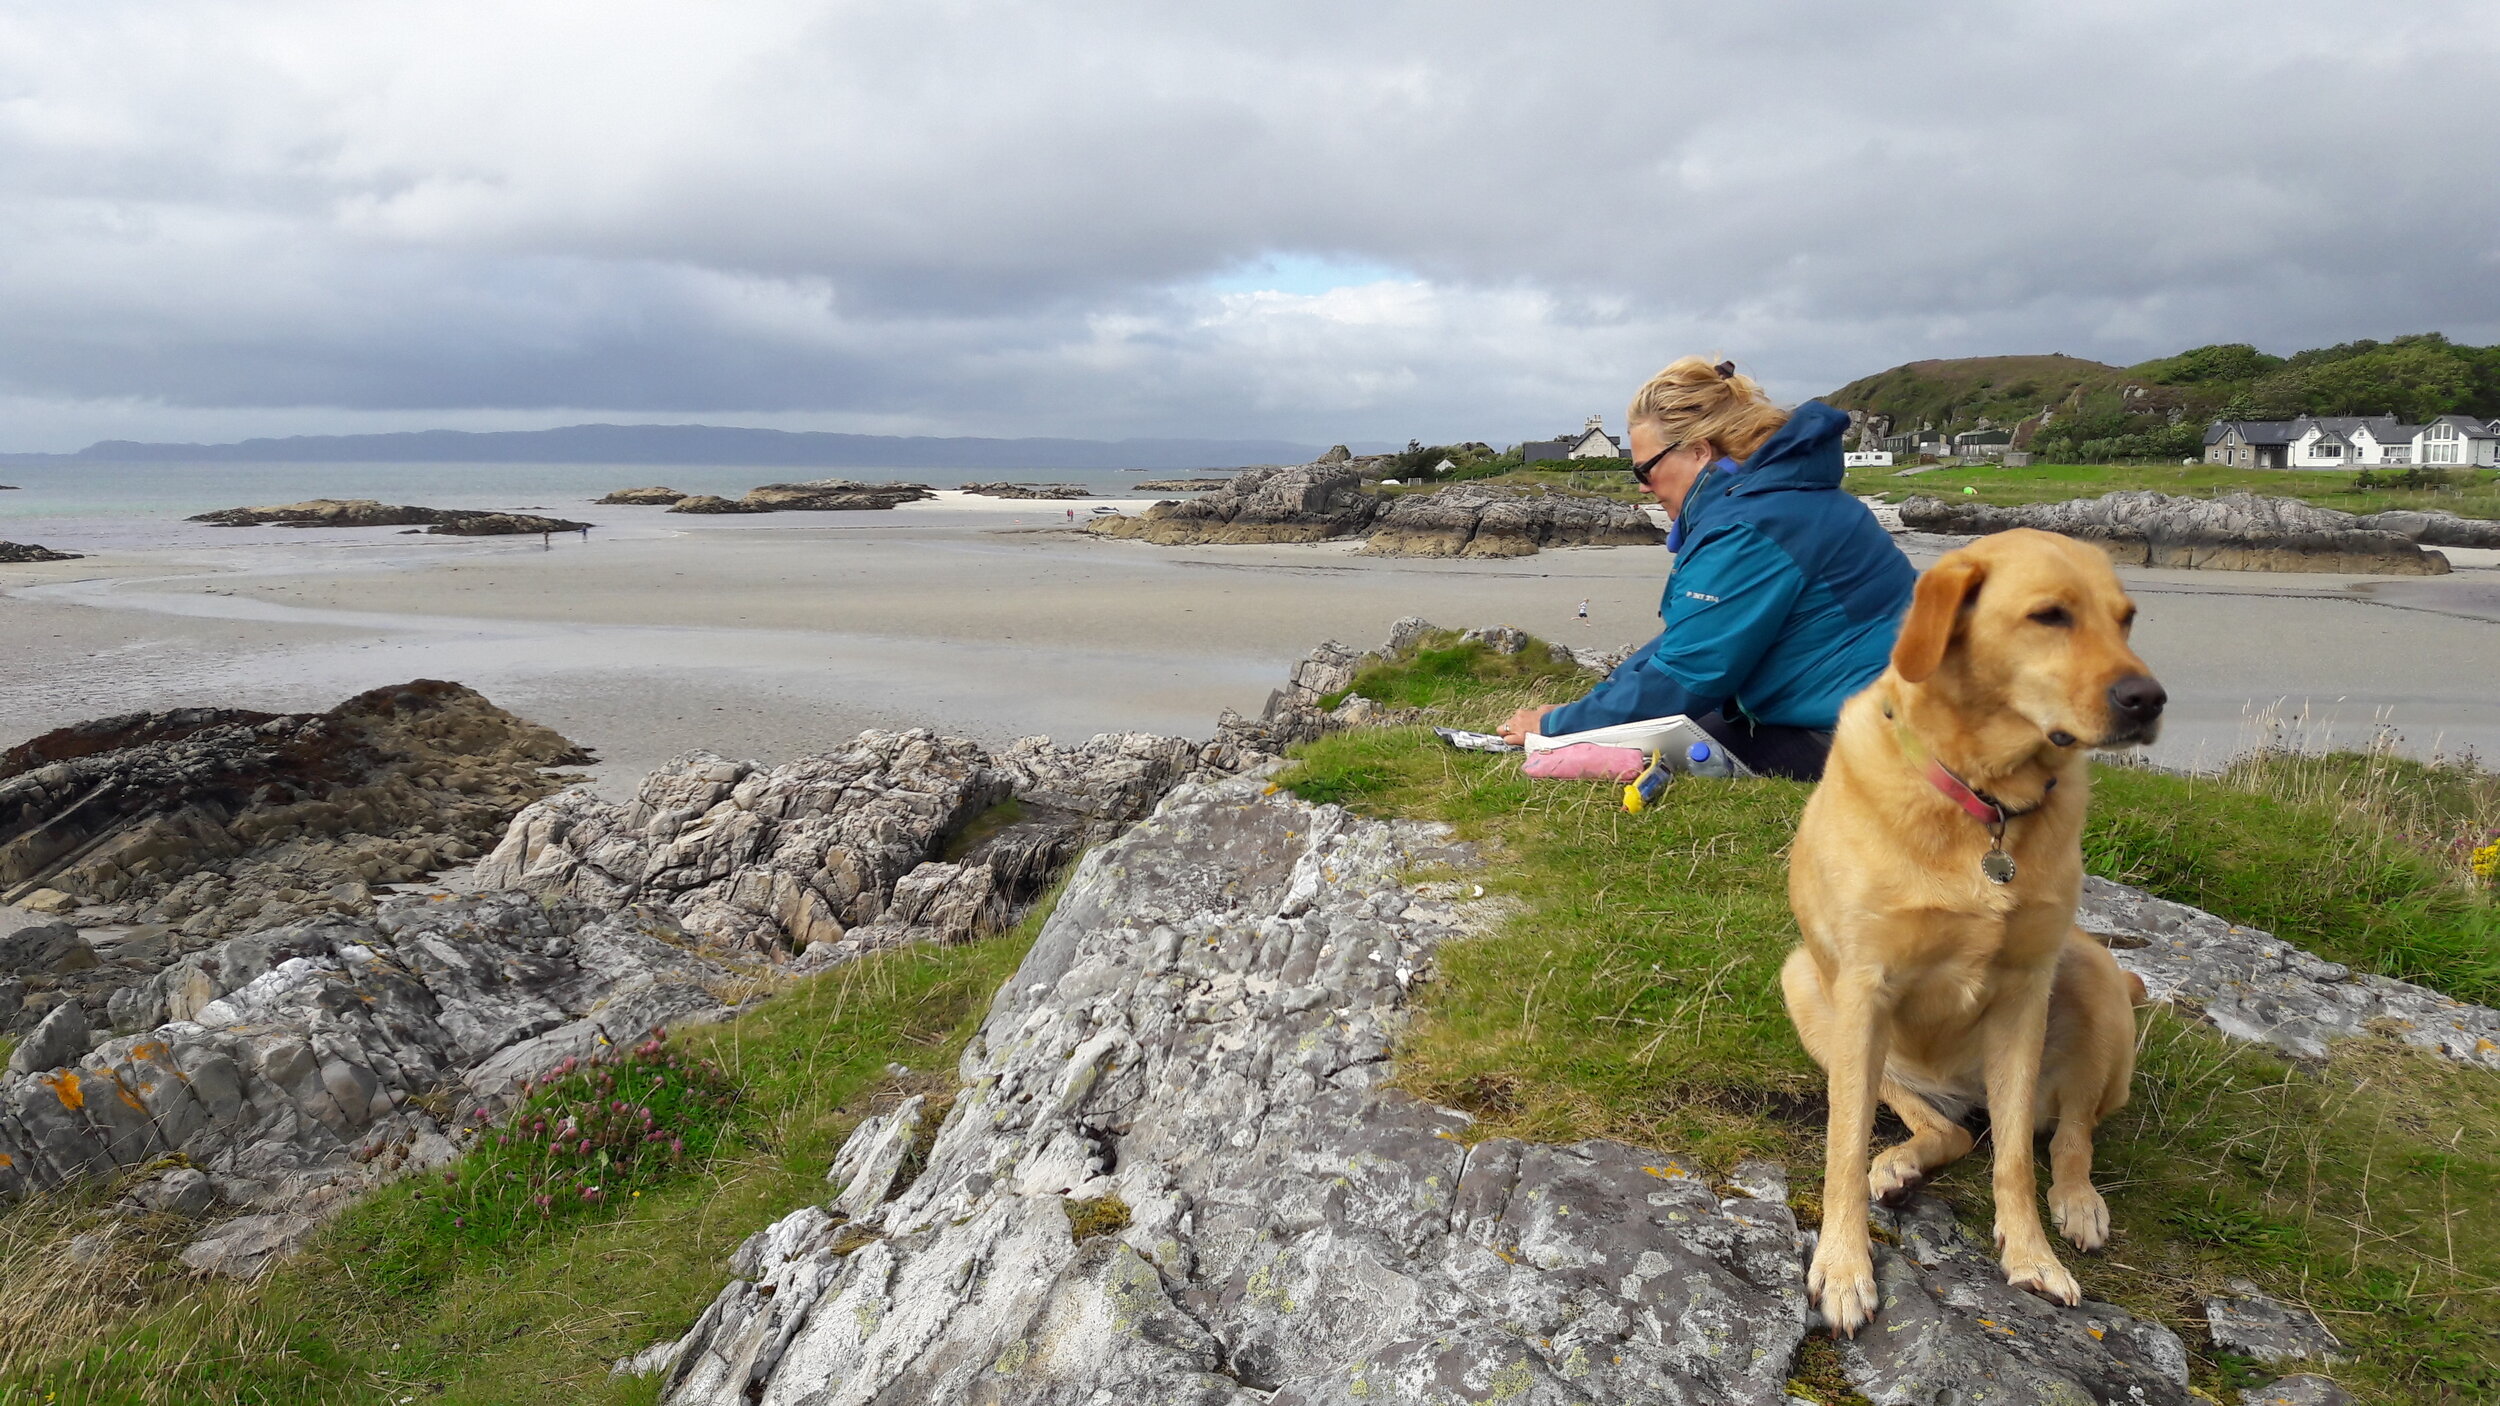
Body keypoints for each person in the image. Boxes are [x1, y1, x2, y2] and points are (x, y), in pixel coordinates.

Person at [1499, 357, 1915, 780]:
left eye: (1645, 469)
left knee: (1665, 753)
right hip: (1877, 712)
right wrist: (1581, 712)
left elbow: (1690, 673)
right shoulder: (1777, 498)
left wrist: (1555, 728)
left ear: (1698, 453)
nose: (1642, 485)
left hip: (1877, 738)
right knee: (1669, 738)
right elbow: (1686, 642)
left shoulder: (1754, 524)